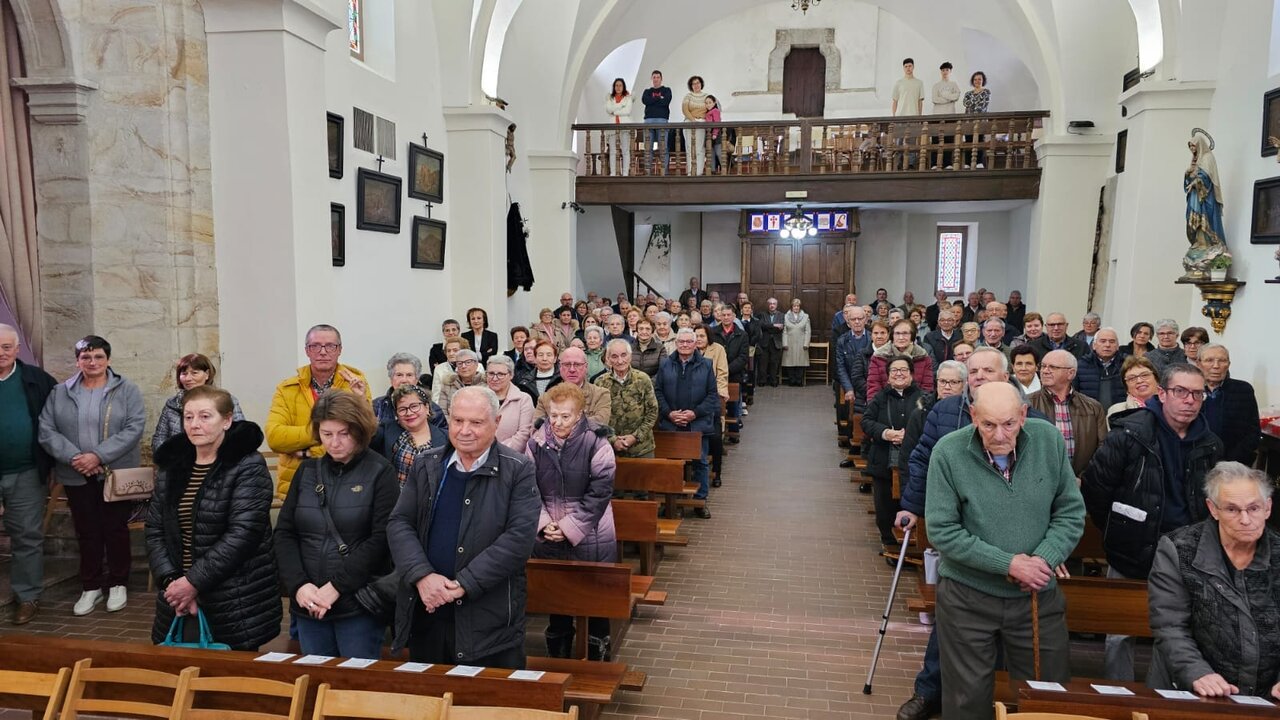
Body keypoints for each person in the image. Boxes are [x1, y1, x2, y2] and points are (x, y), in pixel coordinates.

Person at [929, 383, 1084, 720]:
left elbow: (1070, 512)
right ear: (973, 416)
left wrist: (1044, 559)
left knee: (1048, 696)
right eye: (988, 425)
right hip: (968, 597)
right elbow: (943, 530)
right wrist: (1008, 564)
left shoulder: (1048, 442)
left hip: (1035, 595)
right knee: (966, 701)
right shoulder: (948, 452)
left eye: (1009, 424)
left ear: (1023, 416)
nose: (999, 435)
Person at [1083, 363, 1224, 681]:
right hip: (1130, 546)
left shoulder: (1211, 444)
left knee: (1173, 632)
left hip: (1185, 553)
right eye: (1180, 391)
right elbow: (1096, 487)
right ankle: (1117, 696)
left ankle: (1159, 697)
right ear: (1162, 394)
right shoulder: (1130, 434)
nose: (1189, 400)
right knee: (1120, 631)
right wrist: (1118, 528)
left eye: (1197, 393)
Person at [387, 386, 540, 667]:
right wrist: (422, 576)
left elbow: (518, 540)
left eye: (476, 422)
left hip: (489, 622)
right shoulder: (427, 464)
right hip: (428, 612)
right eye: (458, 421)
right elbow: (400, 523)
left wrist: (462, 585)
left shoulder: (518, 470)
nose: (465, 430)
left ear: (497, 423)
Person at [146, 385, 280, 650]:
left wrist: (193, 582)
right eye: (188, 417)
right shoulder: (173, 466)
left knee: (230, 682)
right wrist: (172, 582)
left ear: (227, 420)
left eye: (205, 416)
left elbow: (243, 534)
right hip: (177, 595)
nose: (195, 424)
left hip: (233, 597)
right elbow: (155, 529)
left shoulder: (247, 465)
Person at [274, 391, 396, 659]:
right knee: (314, 685)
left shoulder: (380, 472)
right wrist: (300, 586)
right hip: (308, 602)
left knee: (355, 690)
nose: (335, 443)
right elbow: (284, 533)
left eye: (343, 433)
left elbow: (381, 540)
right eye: (327, 434)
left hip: (356, 604)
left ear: (360, 430)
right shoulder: (306, 472)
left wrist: (337, 587)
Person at [1147, 462, 1280, 699]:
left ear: (1268, 508)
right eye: (1232, 510)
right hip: (1191, 690)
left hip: (1269, 695)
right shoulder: (1179, 549)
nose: (1245, 519)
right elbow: (1169, 625)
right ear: (1213, 509)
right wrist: (1197, 672)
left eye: (1254, 508)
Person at [38, 335, 146, 617]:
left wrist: (98, 456)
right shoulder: (59, 392)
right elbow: (46, 429)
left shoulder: (126, 389)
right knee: (86, 530)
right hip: (75, 472)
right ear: (78, 361)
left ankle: (119, 583)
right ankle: (91, 586)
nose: (92, 362)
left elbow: (134, 427)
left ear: (108, 360)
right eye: (86, 357)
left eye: (98, 357)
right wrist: (77, 458)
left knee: (115, 528)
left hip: (113, 472)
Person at [525, 383, 618, 660]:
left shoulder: (597, 442)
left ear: (579, 415)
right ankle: (560, 655)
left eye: (565, 416)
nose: (558, 422)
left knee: (594, 598)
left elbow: (600, 493)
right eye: (553, 415)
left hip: (592, 535)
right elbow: (528, 489)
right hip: (549, 534)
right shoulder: (536, 443)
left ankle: (597, 652)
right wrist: (544, 525)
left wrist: (567, 527)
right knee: (558, 596)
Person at [266, 324, 371, 498]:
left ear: (339, 350)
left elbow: (362, 437)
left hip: (345, 481)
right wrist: (330, 436)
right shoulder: (287, 389)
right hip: (298, 484)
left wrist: (307, 452)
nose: (323, 352)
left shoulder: (354, 384)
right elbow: (275, 437)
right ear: (307, 350)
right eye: (315, 346)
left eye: (330, 346)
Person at [0, 324, 57, 625]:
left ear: (17, 349)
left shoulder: (37, 380)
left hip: (26, 471)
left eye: (6, 347)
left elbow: (58, 420)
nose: (1, 353)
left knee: (27, 536)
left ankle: (27, 597)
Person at [862, 356, 924, 553]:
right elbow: (867, 421)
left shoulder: (923, 398)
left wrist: (910, 435)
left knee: (909, 499)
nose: (899, 373)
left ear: (912, 374)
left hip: (913, 460)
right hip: (883, 459)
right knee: (884, 503)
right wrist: (885, 433)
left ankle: (912, 541)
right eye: (894, 370)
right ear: (888, 377)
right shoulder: (880, 397)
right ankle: (889, 541)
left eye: (904, 370)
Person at [654, 329, 719, 518]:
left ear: (695, 343)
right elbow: (658, 392)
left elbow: (712, 396)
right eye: (681, 341)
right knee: (672, 466)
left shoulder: (706, 365)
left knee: (700, 462)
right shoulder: (666, 364)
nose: (684, 345)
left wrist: (694, 413)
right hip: (671, 423)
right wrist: (669, 413)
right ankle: (671, 502)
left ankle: (700, 501)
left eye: (688, 342)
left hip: (697, 424)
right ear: (676, 343)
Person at [1028, 350, 1108, 480]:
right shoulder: (1026, 404)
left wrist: (1083, 478)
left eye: (1053, 367)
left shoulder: (1093, 407)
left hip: (1081, 485)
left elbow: (1102, 450)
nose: (1045, 371)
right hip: (1039, 483)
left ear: (1071, 373)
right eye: (1043, 366)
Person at [151, 354, 245, 453]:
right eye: (184, 373)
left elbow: (240, 435)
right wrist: (173, 458)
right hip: (177, 463)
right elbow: (159, 438)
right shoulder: (172, 403)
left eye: (194, 373)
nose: (188, 378)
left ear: (207, 374)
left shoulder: (226, 400)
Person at [372, 384, 447, 488]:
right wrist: (362, 400)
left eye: (414, 406)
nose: (409, 413)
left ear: (427, 407)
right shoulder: (387, 430)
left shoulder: (447, 438)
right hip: (396, 500)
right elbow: (364, 436)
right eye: (402, 409)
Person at [1198, 344, 1260, 466]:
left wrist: (1230, 461)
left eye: (1222, 361)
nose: (1216, 366)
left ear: (1228, 364)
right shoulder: (1190, 390)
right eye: (1209, 360)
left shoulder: (1243, 390)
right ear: (1199, 364)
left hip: (1234, 463)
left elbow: (1253, 432)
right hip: (1196, 463)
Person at [595, 340, 658, 459]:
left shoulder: (643, 379)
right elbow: (597, 417)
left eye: (623, 355)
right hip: (610, 449)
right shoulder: (600, 382)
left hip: (642, 448)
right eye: (614, 356)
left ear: (630, 356)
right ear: (608, 359)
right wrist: (613, 440)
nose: (620, 361)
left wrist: (635, 437)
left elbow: (652, 412)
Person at [1182, 129, 1229, 278]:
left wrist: (1197, 181)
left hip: (1205, 198)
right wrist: (1187, 174)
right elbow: (1188, 181)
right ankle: (1199, 242)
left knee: (1204, 220)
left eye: (1194, 147)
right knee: (1192, 219)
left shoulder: (1208, 157)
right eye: (1190, 147)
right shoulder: (1195, 160)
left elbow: (1208, 179)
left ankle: (1207, 244)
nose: (1192, 150)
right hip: (1194, 197)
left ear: (1199, 145)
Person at [534, 347, 611, 426]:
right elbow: (536, 430)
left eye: (577, 364)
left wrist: (560, 425)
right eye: (567, 365)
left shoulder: (600, 395)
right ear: (560, 367)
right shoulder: (545, 398)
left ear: (586, 367)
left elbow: (600, 423)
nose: (572, 369)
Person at [867, 319, 935, 400]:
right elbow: (874, 386)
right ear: (892, 335)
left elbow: (927, 388)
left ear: (912, 336)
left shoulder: (923, 357)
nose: (901, 337)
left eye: (905, 333)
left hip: (915, 406)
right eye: (897, 333)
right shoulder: (879, 356)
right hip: (886, 405)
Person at [711, 304, 748, 436]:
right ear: (720, 316)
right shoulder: (713, 332)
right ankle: (716, 433)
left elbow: (743, 357)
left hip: (734, 375)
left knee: (733, 406)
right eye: (723, 315)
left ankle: (733, 432)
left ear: (734, 316)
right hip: (715, 375)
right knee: (716, 406)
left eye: (729, 315)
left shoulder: (742, 335)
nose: (726, 317)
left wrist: (726, 370)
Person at [485, 355, 534, 452]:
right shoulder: (477, 397)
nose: (495, 378)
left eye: (500, 374)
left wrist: (496, 452)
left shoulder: (524, 400)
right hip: (480, 456)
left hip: (511, 458)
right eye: (491, 373)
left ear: (511, 375)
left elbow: (524, 434)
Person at [1072, 327, 1124, 410]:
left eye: (1112, 341)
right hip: (1088, 415)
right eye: (1103, 341)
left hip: (1120, 416)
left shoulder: (1127, 365)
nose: (1107, 345)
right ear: (1094, 345)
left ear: (1117, 346)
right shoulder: (1080, 365)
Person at [373, 352, 423, 424]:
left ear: (417, 380)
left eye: (409, 375)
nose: (404, 380)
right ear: (391, 379)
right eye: (399, 375)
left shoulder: (430, 407)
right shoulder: (377, 406)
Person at [437, 349, 486, 418]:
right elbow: (442, 411)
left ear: (476, 364)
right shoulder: (448, 383)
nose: (463, 366)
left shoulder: (485, 383)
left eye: (468, 362)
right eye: (460, 363)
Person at [1108, 355, 1160, 419]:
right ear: (1126, 387)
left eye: (1144, 375)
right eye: (1132, 378)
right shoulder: (1116, 411)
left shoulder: (1172, 406)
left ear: (1156, 379)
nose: (1139, 381)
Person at [640, 70, 672, 174]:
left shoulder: (667, 90)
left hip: (662, 119)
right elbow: (645, 101)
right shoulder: (647, 91)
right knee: (648, 149)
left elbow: (666, 101)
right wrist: (659, 98)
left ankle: (664, 172)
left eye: (658, 77)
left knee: (663, 148)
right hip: (648, 120)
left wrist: (653, 99)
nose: (656, 79)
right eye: (654, 77)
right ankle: (648, 172)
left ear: (661, 79)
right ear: (651, 79)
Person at [931, 62, 960, 168]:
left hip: (950, 115)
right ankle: (934, 163)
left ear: (950, 71)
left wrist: (943, 95)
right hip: (937, 115)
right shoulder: (936, 85)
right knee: (936, 140)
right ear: (941, 72)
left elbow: (956, 97)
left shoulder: (954, 84)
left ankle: (948, 163)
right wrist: (949, 97)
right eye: (943, 70)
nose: (945, 72)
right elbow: (935, 99)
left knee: (949, 140)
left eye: (947, 70)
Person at [962, 70, 991, 168]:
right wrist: (977, 101)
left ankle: (979, 162)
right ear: (972, 81)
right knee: (969, 141)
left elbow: (982, 105)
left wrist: (973, 103)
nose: (977, 81)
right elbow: (966, 103)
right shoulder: (968, 93)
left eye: (979, 79)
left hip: (981, 121)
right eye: (975, 79)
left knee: (979, 141)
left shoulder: (986, 92)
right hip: (968, 121)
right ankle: (967, 163)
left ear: (983, 80)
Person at [604, 78, 632, 177]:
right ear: (614, 87)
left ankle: (625, 173)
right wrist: (621, 106)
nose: (618, 87)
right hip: (612, 126)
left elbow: (627, 111)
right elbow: (608, 109)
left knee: (625, 150)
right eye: (616, 85)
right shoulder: (610, 98)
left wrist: (615, 111)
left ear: (623, 86)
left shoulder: (628, 98)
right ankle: (613, 173)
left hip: (624, 126)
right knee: (612, 151)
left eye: (620, 85)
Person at [681, 76, 708, 176]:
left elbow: (710, 108)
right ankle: (690, 172)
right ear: (691, 86)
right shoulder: (688, 96)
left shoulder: (706, 96)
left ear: (701, 84)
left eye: (698, 83)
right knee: (689, 147)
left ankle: (699, 172)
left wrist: (700, 117)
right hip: (689, 122)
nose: (696, 85)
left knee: (699, 148)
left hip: (702, 122)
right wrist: (693, 120)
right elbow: (685, 109)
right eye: (694, 83)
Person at [781, 298, 810, 386]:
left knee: (800, 362)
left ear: (800, 307)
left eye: (797, 306)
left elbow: (808, 331)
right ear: (791, 307)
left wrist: (806, 343)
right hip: (789, 341)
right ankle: (791, 380)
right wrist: (784, 343)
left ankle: (798, 380)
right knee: (790, 362)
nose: (796, 308)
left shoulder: (805, 316)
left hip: (801, 342)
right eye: (794, 306)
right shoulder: (786, 316)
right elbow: (784, 331)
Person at [758, 297, 786, 387]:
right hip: (764, 342)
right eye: (770, 304)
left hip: (776, 342)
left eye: (774, 304)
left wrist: (769, 327)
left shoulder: (781, 315)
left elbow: (781, 327)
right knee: (763, 362)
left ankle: (773, 381)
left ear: (776, 305)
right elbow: (761, 325)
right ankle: (762, 380)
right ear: (768, 305)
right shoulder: (762, 314)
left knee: (774, 363)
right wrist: (774, 325)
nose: (772, 305)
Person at [704, 94, 724, 173]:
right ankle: (712, 170)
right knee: (710, 154)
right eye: (706, 103)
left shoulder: (715, 111)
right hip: (708, 135)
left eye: (710, 102)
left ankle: (724, 169)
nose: (708, 105)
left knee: (719, 152)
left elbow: (717, 123)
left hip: (715, 134)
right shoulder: (707, 112)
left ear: (714, 102)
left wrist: (715, 133)